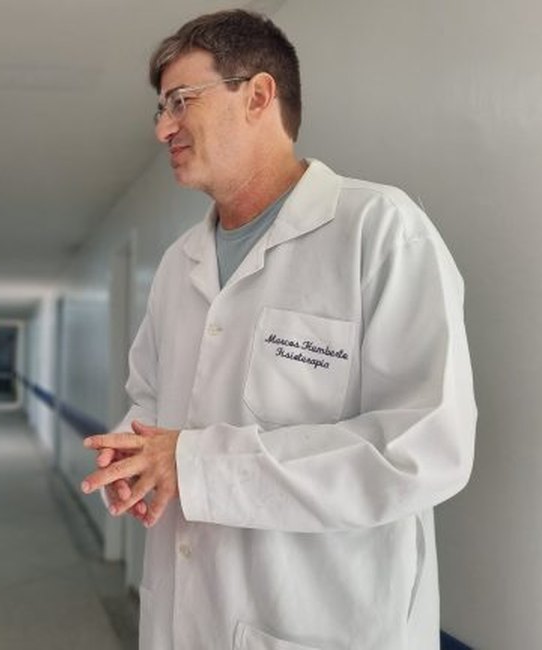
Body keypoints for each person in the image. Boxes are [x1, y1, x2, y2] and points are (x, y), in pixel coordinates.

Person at [80, 11, 475, 649]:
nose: (162, 128)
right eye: (160, 108)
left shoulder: (378, 231)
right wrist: (134, 455)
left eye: (180, 101)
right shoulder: (180, 264)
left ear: (259, 95)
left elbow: (423, 450)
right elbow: (151, 400)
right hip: (186, 619)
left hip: (322, 622)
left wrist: (195, 465)